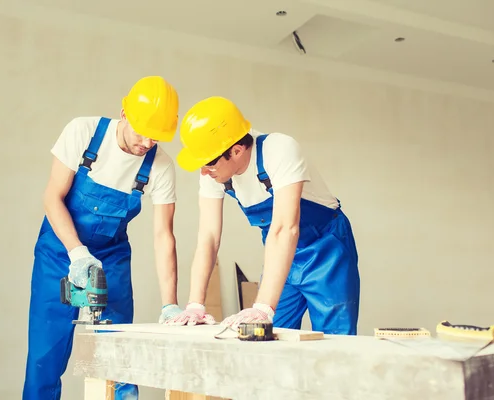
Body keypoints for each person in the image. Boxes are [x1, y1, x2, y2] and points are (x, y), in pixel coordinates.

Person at [23, 76, 185, 400]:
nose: (147, 142)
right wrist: (77, 254)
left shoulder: (160, 167)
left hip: (111, 257)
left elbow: (163, 235)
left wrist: (170, 305)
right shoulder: (83, 133)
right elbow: (52, 198)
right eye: (142, 130)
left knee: (119, 356)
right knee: (45, 356)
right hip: (59, 252)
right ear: (124, 113)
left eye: (156, 136)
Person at [166, 96, 360, 335]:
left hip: (326, 251)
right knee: (269, 337)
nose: (204, 172)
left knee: (334, 341)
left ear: (236, 150)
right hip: (280, 255)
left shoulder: (279, 150)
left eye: (208, 164)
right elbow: (208, 237)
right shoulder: (213, 171)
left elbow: (285, 228)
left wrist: (263, 307)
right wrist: (195, 305)